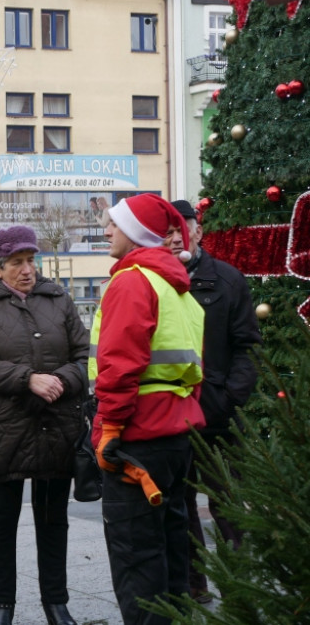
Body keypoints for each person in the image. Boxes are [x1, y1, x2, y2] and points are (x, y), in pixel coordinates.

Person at [0, 225, 89, 625]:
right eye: (17, 263)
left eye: (31, 261)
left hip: (57, 427)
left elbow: (85, 354)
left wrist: (64, 380)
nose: (27, 270)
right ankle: (2, 606)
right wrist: (26, 378)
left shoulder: (59, 299)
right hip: (2, 431)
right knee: (0, 523)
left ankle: (56, 603)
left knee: (53, 522)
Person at [89, 193, 206, 625]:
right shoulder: (177, 287)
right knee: (172, 548)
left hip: (136, 438)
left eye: (114, 225)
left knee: (136, 557)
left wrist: (109, 430)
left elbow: (120, 367)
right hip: (175, 435)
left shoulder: (132, 281)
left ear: (135, 234)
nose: (105, 231)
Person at [167, 199, 261, 604]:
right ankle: (194, 585)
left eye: (184, 227)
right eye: (168, 230)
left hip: (219, 413)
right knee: (180, 506)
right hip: (170, 416)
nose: (176, 237)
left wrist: (228, 397)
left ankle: (240, 584)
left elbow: (248, 347)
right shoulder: (153, 281)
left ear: (199, 231)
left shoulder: (227, 279)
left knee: (226, 504)